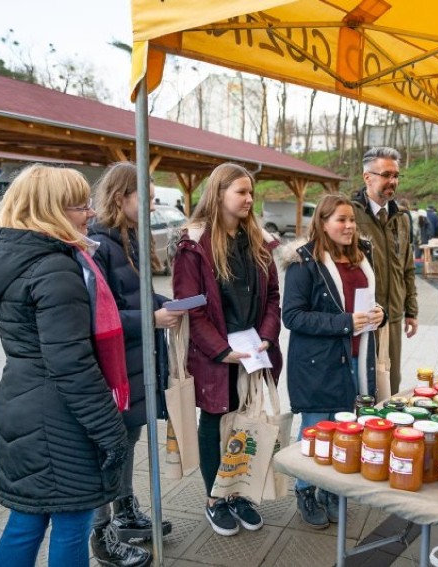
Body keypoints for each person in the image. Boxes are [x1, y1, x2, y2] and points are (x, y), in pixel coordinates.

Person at [0, 165, 129, 566]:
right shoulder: (55, 268)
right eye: (80, 206)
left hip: (20, 402)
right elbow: (71, 364)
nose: (90, 214)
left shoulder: (11, 259)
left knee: (26, 519)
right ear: (51, 210)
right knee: (72, 522)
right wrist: (109, 430)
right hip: (58, 415)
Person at [172, 163, 283, 538]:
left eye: (251, 192)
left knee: (246, 423)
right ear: (218, 193)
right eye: (240, 191)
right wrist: (222, 351)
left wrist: (267, 336)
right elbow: (191, 306)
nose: (249, 199)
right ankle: (215, 499)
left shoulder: (259, 241)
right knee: (215, 422)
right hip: (217, 355)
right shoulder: (194, 244)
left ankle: (239, 493)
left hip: (254, 350)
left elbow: (272, 298)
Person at [89, 162, 184, 564]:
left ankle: (125, 512)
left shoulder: (129, 239)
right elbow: (101, 316)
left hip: (136, 364)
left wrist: (165, 306)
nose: (150, 203)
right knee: (109, 452)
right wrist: (152, 318)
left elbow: (136, 298)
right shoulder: (100, 245)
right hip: (116, 370)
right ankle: (102, 530)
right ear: (119, 197)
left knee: (128, 444)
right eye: (142, 195)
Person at [281, 194, 386, 528]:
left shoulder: (361, 256)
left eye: (352, 220)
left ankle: (331, 490)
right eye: (341, 219)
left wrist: (379, 314)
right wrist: (344, 322)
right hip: (317, 363)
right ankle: (305, 489)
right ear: (323, 223)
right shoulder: (304, 262)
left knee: (345, 429)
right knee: (314, 431)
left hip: (357, 357)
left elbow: (364, 300)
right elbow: (293, 316)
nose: (350, 226)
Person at [352, 147, 418, 395]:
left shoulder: (401, 217)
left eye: (396, 175)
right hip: (363, 320)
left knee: (391, 384)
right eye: (386, 174)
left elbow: (407, 266)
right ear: (368, 177)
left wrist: (411, 309)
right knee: (363, 387)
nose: (393, 181)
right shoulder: (351, 215)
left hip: (394, 317)